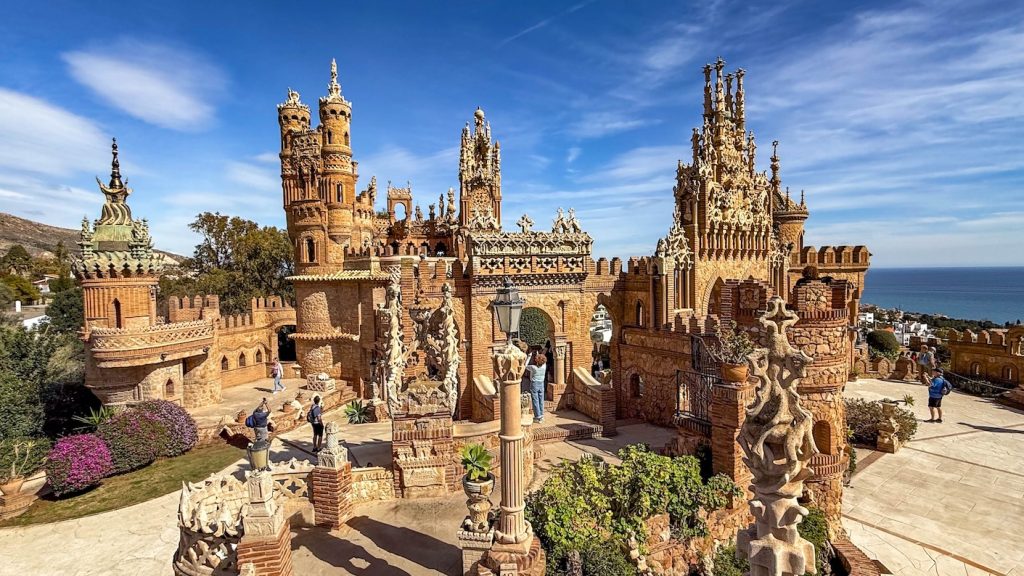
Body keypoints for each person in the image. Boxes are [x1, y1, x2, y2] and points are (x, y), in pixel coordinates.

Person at [524, 352, 547, 424]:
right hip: (541, 384)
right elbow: (543, 360)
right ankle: (541, 415)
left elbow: (525, 365)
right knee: (541, 400)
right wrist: (538, 354)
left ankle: (538, 417)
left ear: (536, 360)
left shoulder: (533, 368)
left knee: (535, 400)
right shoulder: (544, 367)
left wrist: (529, 356)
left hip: (534, 384)